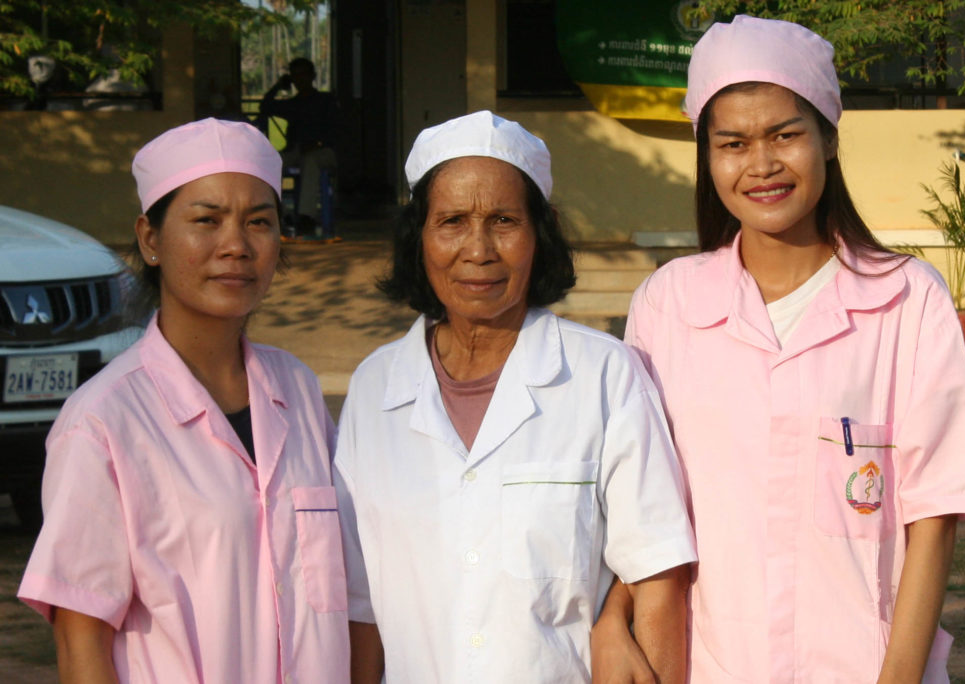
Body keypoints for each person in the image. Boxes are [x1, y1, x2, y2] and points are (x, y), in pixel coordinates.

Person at [606, 15, 965, 683]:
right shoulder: (668, 306)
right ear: (707, 155)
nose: (761, 164)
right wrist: (612, 618)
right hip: (711, 664)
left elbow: (933, 518)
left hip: (860, 666)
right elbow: (639, 500)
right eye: (733, 142)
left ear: (829, 138)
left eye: (786, 135)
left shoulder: (908, 301)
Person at [333, 110, 697, 683]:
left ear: (541, 230)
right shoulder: (375, 388)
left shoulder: (603, 375)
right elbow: (360, 606)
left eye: (503, 220)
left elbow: (657, 579)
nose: (478, 250)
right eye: (451, 221)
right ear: (418, 235)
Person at [18, 118, 350, 683]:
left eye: (259, 222)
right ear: (150, 239)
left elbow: (346, 588)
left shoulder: (296, 389)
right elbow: (81, 643)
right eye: (206, 220)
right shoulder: (103, 421)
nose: (236, 246)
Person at [260, 57, 341, 234]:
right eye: (295, 76)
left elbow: (336, 130)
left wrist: (318, 143)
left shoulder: (325, 100)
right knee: (271, 163)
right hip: (297, 150)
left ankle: (307, 218)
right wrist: (279, 85)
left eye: (303, 74)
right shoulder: (294, 104)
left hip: (324, 150)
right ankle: (280, 215)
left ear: (312, 76)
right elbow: (265, 106)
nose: (300, 79)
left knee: (310, 161)